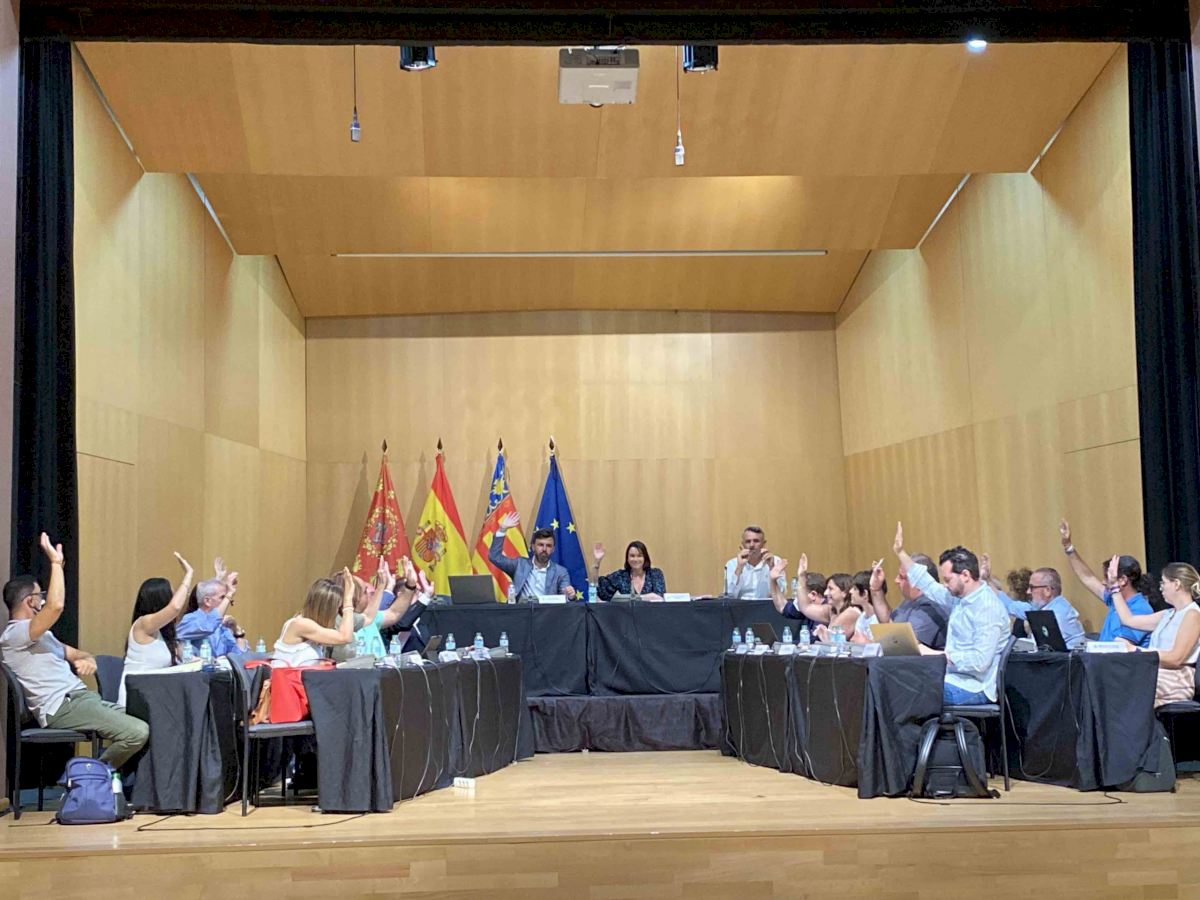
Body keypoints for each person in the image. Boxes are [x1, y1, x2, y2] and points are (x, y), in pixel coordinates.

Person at [0, 533, 148, 768]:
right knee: (137, 732)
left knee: (150, 720)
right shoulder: (14, 634)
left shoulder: (43, 635)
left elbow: (77, 654)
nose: (43, 601)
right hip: (61, 706)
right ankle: (87, 777)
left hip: (83, 699)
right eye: (40, 596)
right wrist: (56, 563)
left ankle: (111, 782)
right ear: (31, 601)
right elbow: (56, 606)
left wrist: (87, 660)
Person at [893, 523, 1010, 706]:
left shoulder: (987, 608)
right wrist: (901, 553)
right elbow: (928, 585)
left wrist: (939, 655)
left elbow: (980, 662)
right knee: (896, 682)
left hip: (974, 686)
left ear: (965, 575)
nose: (945, 585)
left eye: (947, 580)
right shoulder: (959, 598)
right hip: (952, 677)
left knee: (907, 690)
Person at [1107, 559, 1200, 706]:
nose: (1161, 588)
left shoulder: (1192, 614)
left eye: (1163, 582)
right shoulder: (1168, 614)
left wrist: (1136, 650)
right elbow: (1128, 619)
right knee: (1111, 680)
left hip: (1176, 679)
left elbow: (1176, 658)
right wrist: (1115, 588)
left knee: (1125, 687)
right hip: (1155, 673)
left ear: (1176, 584)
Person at [1059, 519, 1153, 645]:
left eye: (1108, 577)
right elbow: (1087, 577)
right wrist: (1068, 547)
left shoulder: (1140, 609)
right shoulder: (1115, 599)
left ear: (1122, 580)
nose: (1103, 582)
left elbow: (1122, 647)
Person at [118, 552, 193, 707]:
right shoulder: (143, 624)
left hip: (155, 696)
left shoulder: (163, 634)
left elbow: (187, 658)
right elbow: (175, 607)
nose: (175, 598)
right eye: (172, 595)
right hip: (137, 698)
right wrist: (189, 574)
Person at [331, 557, 431, 660]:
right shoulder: (336, 623)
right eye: (365, 592)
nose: (369, 596)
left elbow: (394, 613)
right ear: (354, 597)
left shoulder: (367, 617)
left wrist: (410, 586)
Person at [980, 555, 1085, 649]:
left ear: (1047, 590)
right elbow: (1009, 604)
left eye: (1032, 587)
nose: (1028, 592)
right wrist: (986, 580)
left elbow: (1046, 650)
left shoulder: (1059, 614)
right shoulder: (1040, 609)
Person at [272, 569, 358, 667]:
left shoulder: (311, 628)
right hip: (287, 677)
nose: (336, 614)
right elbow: (345, 637)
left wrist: (318, 665)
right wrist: (348, 601)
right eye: (336, 609)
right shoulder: (301, 624)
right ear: (325, 609)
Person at [864, 554, 948, 649]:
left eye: (901, 577)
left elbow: (905, 644)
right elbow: (887, 622)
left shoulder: (931, 606)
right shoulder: (909, 601)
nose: (896, 580)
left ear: (917, 581)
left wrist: (867, 642)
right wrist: (876, 589)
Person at [490, 510, 576, 601]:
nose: (544, 549)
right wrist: (502, 530)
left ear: (553, 549)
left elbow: (565, 597)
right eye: (540, 545)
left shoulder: (561, 572)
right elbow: (495, 557)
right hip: (521, 609)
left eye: (548, 546)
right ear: (533, 547)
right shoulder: (519, 565)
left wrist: (570, 596)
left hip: (546, 610)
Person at [177, 559, 247, 656]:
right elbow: (208, 626)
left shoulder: (222, 624)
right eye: (222, 598)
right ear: (207, 601)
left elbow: (240, 656)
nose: (227, 602)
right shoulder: (190, 620)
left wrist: (237, 632)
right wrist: (229, 593)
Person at [724, 526, 785, 600]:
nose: (751, 545)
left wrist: (772, 568)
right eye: (748, 541)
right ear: (743, 544)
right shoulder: (732, 564)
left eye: (756, 541)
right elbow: (729, 596)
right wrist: (739, 568)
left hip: (766, 605)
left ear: (763, 544)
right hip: (741, 606)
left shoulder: (776, 561)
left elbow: (782, 593)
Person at [593, 541, 666, 601]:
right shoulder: (621, 576)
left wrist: (633, 598)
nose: (636, 559)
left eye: (639, 556)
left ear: (645, 558)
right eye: (632, 556)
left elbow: (659, 597)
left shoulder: (655, 574)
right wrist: (597, 562)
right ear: (627, 559)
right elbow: (597, 587)